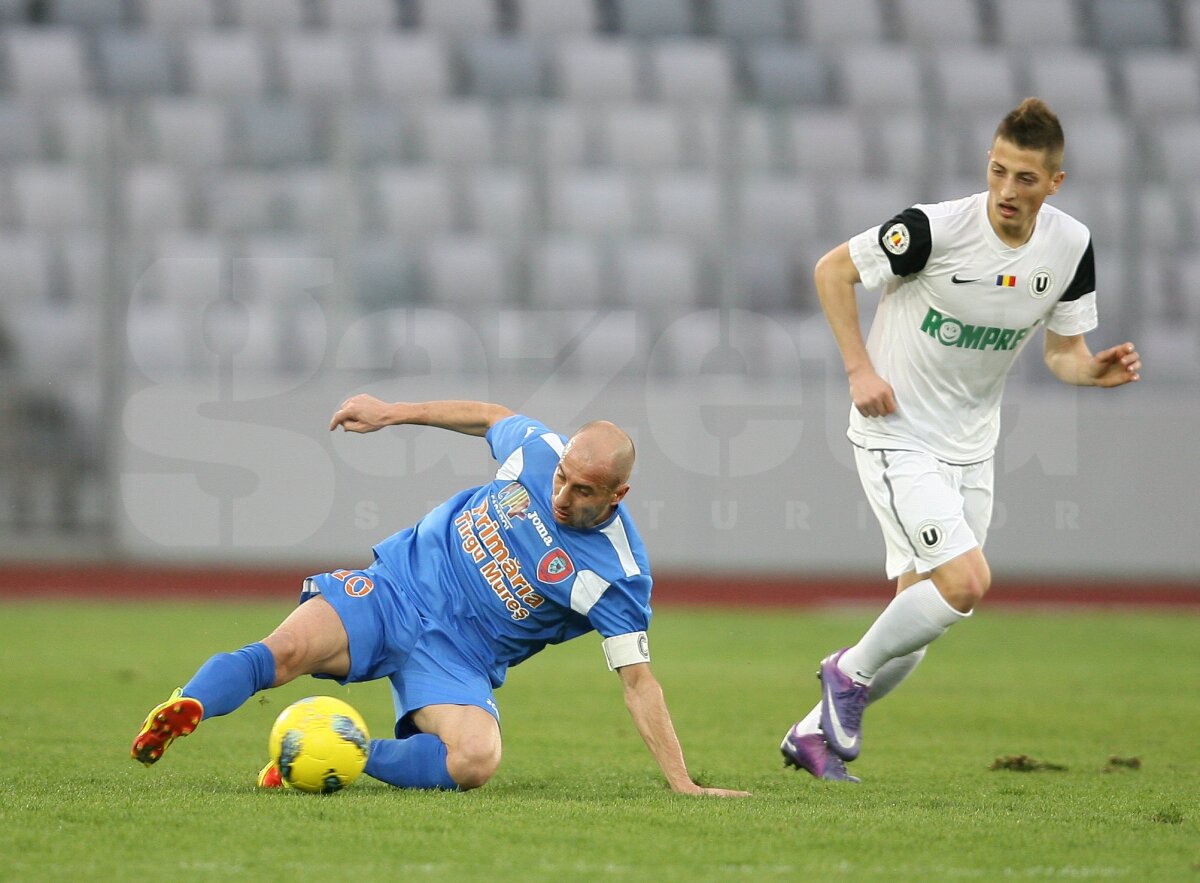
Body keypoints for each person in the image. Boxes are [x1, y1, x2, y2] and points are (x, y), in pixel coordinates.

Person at [131, 394, 748, 797]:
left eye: (584, 491)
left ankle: (333, 753)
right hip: (397, 588)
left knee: (475, 760)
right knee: (285, 650)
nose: (562, 496)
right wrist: (391, 413)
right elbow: (487, 416)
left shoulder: (618, 576)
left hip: (457, 660)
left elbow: (639, 681)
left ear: (619, 495)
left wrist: (682, 784)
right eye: (562, 479)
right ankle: (183, 708)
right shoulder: (536, 452)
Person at [780, 98, 1142, 782]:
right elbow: (833, 270)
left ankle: (809, 732)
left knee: (918, 630)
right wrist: (859, 368)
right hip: (898, 433)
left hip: (972, 446)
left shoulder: (1069, 246)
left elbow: (1064, 351)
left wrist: (1092, 372)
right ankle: (844, 673)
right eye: (999, 171)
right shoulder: (933, 229)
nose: (1008, 190)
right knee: (967, 581)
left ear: (1054, 183)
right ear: (989, 164)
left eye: (1026, 178)